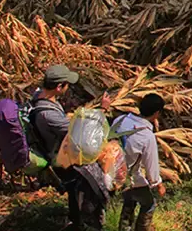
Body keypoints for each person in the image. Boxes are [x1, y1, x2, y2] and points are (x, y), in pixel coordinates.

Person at [31, 64, 112, 231]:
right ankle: (86, 224)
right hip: (66, 162)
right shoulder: (47, 114)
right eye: (67, 84)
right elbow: (80, 131)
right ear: (59, 87)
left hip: (64, 156)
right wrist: (102, 109)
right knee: (87, 198)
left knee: (76, 198)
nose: (68, 88)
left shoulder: (40, 97)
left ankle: (77, 222)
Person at [113, 93, 167, 231]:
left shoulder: (120, 120)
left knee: (130, 199)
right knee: (149, 203)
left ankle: (124, 227)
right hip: (127, 177)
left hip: (108, 170)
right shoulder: (147, 136)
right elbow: (151, 169)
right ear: (156, 113)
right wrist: (158, 185)